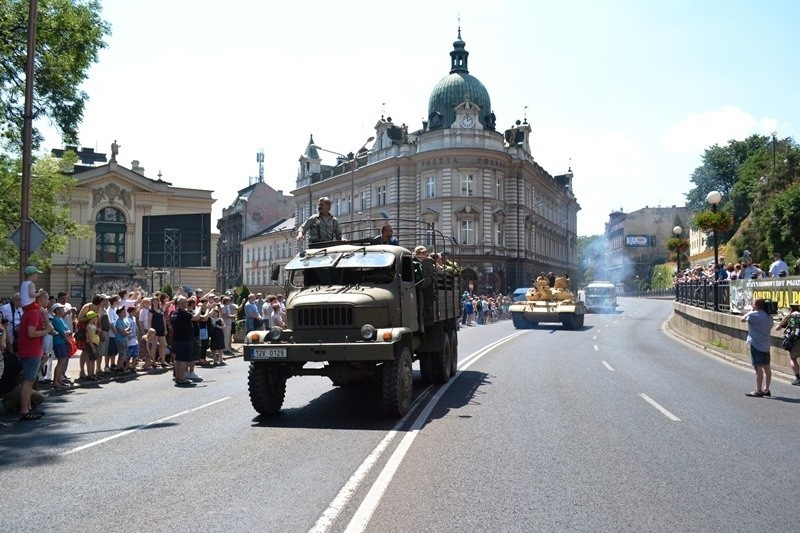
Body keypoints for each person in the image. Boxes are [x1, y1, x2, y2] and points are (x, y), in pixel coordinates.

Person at [17, 291, 52, 420]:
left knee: (30, 381)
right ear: (42, 300)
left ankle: (28, 408)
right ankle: (24, 410)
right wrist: (46, 331)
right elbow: (31, 333)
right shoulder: (33, 313)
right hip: (30, 351)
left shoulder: (33, 312)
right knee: (27, 381)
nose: (48, 302)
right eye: (47, 299)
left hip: (32, 350)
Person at [741, 298, 774, 397]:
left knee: (758, 368)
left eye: (753, 304)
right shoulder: (769, 316)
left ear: (756, 305)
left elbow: (742, 319)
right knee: (767, 367)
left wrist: (751, 311)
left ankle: (758, 390)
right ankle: (767, 389)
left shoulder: (753, 315)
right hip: (766, 344)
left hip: (756, 344)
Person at [50, 303, 73, 389]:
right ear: (57, 310)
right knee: (61, 362)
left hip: (63, 342)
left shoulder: (61, 319)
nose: (63, 310)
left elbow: (68, 330)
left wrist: (68, 333)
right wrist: (69, 342)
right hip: (60, 342)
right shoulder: (56, 319)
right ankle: (55, 381)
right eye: (61, 309)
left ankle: (59, 380)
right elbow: (63, 333)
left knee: (62, 362)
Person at [776, 303, 800, 385]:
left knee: (793, 359)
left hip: (795, 340)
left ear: (790, 309)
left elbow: (777, 328)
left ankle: (798, 378)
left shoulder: (789, 316)